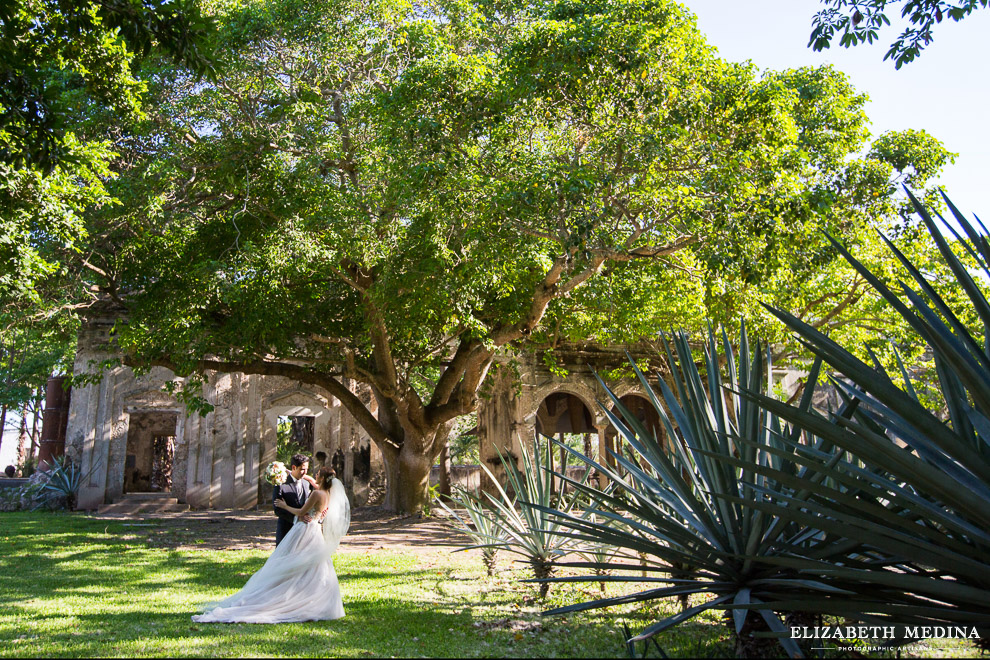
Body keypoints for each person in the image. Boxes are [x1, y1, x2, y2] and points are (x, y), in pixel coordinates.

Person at [192, 466, 350, 623]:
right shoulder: (328, 493)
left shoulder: (316, 493)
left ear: (322, 478)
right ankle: (312, 595)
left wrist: (284, 506)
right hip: (316, 530)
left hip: (306, 529)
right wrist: (288, 471)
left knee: (292, 560)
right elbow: (309, 480)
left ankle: (288, 593)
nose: (314, 475)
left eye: (317, 474)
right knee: (314, 565)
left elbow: (301, 512)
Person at [274, 454, 312, 546]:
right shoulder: (281, 484)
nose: (305, 472)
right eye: (302, 469)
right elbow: (278, 509)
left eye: (307, 469)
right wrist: (297, 518)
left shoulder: (306, 484)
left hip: (303, 532)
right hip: (286, 529)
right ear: (294, 467)